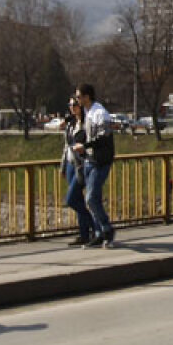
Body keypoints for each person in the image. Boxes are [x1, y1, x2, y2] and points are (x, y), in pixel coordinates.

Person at [73, 83, 115, 248]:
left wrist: (86, 146)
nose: (77, 100)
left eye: (78, 97)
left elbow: (104, 138)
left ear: (86, 97)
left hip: (100, 161)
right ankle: (99, 234)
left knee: (91, 198)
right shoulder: (88, 111)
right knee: (93, 198)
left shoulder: (100, 113)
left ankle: (107, 229)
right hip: (90, 160)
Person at [62, 97, 93, 246]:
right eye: (70, 105)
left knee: (71, 199)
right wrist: (63, 166)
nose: (72, 107)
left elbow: (89, 144)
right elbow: (66, 147)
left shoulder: (87, 123)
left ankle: (96, 225)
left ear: (80, 106)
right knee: (78, 199)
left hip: (81, 165)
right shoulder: (71, 124)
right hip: (70, 164)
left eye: (74, 104)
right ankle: (84, 234)